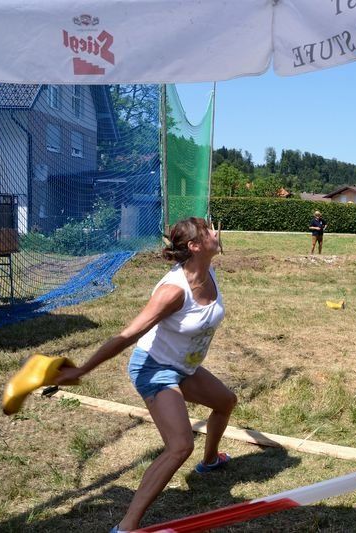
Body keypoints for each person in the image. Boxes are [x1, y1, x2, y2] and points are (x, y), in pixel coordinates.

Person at [53, 217, 237, 533]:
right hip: (154, 368)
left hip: (184, 367)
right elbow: (127, 335)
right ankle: (126, 526)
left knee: (225, 402)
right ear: (194, 246)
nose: (215, 232)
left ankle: (210, 461)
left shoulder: (207, 271)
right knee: (180, 446)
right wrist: (82, 369)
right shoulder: (172, 292)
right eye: (208, 230)